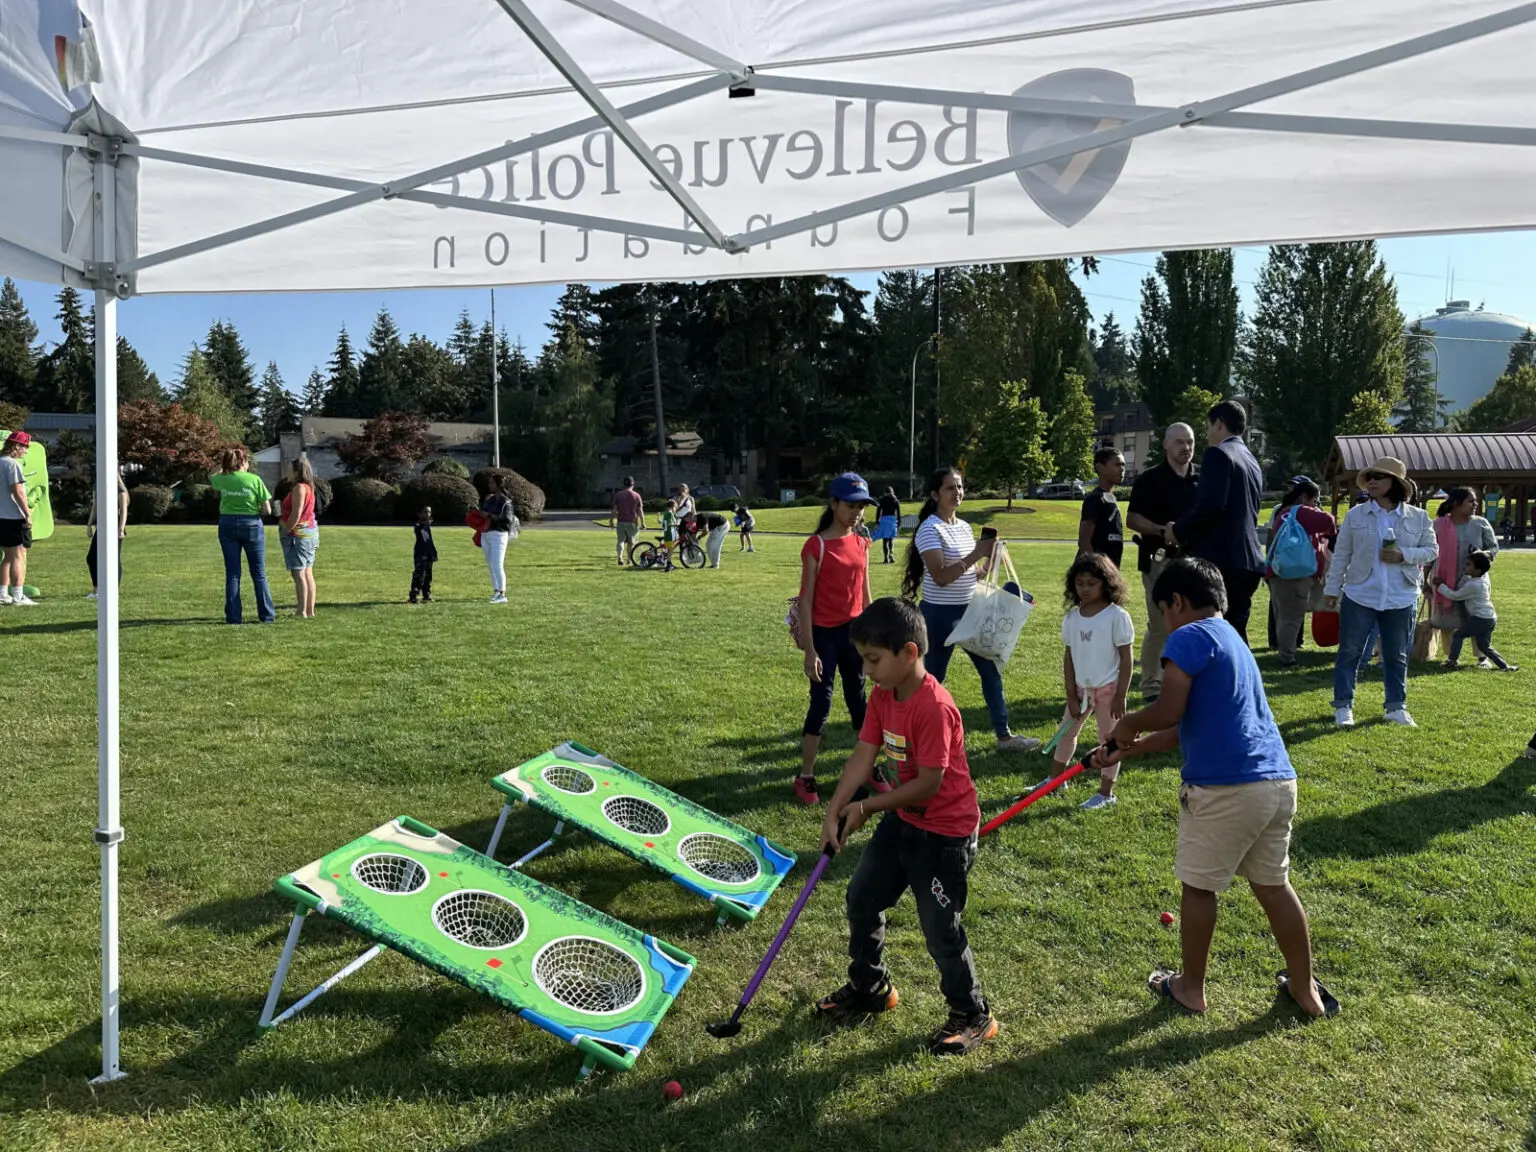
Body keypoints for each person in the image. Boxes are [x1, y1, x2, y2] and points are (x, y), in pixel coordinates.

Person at [1094, 557, 1338, 1019]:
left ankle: (1190, 989)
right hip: (1276, 783)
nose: (1166, 623)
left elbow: (1167, 709)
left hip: (1224, 789)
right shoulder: (1234, 641)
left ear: (1178, 603)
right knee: (1273, 885)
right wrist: (1131, 748)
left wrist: (1125, 723)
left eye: (1163, 611)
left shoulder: (1189, 636)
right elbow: (1185, 726)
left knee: (1199, 887)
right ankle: (1305, 989)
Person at [815, 596, 997, 1056]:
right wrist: (835, 807)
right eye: (863, 660)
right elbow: (864, 752)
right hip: (902, 822)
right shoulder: (882, 695)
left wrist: (869, 806)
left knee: (940, 929)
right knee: (862, 897)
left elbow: (929, 785)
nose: (866, 670)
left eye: (873, 660)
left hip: (945, 833)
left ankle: (973, 1014)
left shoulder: (933, 707)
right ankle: (871, 988)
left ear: (909, 654)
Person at [903, 467, 1041, 754]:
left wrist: (989, 563)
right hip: (939, 615)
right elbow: (941, 576)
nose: (958, 493)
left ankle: (1004, 736)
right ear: (934, 494)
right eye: (950, 488)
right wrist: (977, 553)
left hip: (971, 612)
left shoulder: (964, 527)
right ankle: (914, 734)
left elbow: (970, 572)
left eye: (961, 486)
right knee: (933, 679)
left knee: (990, 670)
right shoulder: (930, 528)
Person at [1323, 457, 1437, 728]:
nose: (1372, 482)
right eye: (1370, 477)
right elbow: (1342, 555)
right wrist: (1332, 588)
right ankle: (1343, 706)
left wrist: (1403, 555)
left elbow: (1432, 550)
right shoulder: (1356, 515)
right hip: (1360, 593)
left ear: (1395, 483)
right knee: (1350, 652)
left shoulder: (1418, 517)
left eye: (1379, 477)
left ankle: (1395, 707)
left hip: (1402, 595)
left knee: (1397, 654)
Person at [793, 473, 876, 806]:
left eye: (861, 507)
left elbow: (865, 593)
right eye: (850, 505)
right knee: (821, 702)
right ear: (833, 504)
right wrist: (810, 649)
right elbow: (805, 601)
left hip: (854, 634)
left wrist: (874, 638)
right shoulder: (818, 545)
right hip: (824, 635)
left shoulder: (862, 542)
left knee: (859, 703)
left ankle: (868, 769)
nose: (856, 512)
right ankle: (806, 776)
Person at [1168, 401, 1264, 644]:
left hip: (1221, 562)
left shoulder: (1218, 454)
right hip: (1249, 560)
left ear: (1219, 423)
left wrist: (1177, 530)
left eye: (1209, 426)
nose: (1207, 434)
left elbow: (1210, 506)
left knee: (1211, 635)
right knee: (1236, 636)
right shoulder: (1251, 460)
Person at [1047, 554, 1134, 811]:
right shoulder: (1072, 618)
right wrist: (1071, 695)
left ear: (1106, 584)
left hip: (1109, 690)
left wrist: (1121, 694)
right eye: (1080, 583)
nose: (1084, 589)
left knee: (1109, 740)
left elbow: (1127, 659)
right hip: (1081, 690)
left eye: (1091, 583)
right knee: (1066, 732)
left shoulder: (1117, 616)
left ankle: (1106, 793)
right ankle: (1055, 780)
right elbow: (1069, 657)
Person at [1126, 423, 1198, 704]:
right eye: (1180, 442)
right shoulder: (1150, 480)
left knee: (1192, 624)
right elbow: (1132, 519)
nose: (1186, 448)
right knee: (1160, 624)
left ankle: (1186, 681)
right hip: (1158, 560)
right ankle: (1152, 685)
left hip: (1194, 563)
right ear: (1166, 444)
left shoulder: (1201, 478)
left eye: (1190, 442)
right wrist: (1162, 531)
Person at [1265, 478, 1336, 667]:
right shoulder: (1300, 511)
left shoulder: (1283, 512)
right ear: (1304, 497)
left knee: (1284, 616)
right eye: (1315, 500)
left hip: (1280, 572)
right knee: (1292, 617)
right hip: (1296, 574)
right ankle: (1287, 658)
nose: (1316, 505)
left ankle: (1284, 651)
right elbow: (1328, 522)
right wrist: (1319, 511)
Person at [210, 446, 276, 625]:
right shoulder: (254, 479)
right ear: (244, 462)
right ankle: (266, 615)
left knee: (232, 574)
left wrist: (224, 465)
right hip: (251, 525)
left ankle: (233, 617)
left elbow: (212, 474)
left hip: (227, 524)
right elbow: (267, 509)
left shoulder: (223, 479)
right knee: (259, 573)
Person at [1432, 488, 1499, 660]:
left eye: (1475, 501)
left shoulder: (1480, 523)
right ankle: (1451, 655)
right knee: (1448, 616)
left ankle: (1482, 657)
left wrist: (1483, 555)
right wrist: (1426, 579)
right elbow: (1431, 551)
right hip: (1446, 578)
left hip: (1474, 580)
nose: (1475, 504)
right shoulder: (1439, 524)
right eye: (1470, 501)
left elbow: (1493, 547)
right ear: (1456, 503)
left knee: (1477, 616)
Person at [1439, 550, 1516, 671]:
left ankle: (1452, 661)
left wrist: (1440, 586)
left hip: (1481, 618)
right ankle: (1505, 666)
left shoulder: (1474, 585)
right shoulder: (1480, 580)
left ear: (1478, 570)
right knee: (1484, 646)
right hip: (1489, 617)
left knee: (1458, 635)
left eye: (1469, 564)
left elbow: (1456, 595)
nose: (1465, 566)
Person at [278, 458, 319, 618]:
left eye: (289, 469)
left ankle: (301, 611)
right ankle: (309, 610)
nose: (287, 472)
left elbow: (296, 513)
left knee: (299, 573)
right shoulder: (309, 487)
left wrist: (286, 530)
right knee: (307, 571)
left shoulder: (299, 488)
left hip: (299, 534)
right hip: (309, 532)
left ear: (297, 471)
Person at [0, 431, 35, 606]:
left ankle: (2, 593)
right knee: (18, 555)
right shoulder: (12, 465)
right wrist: (27, 513)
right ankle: (18, 596)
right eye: (24, 447)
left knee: (7, 555)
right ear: (16, 446)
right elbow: (18, 490)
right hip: (12, 517)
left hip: (1, 516)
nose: (26, 451)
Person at [1077, 447, 1126, 569]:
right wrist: (1093, 570)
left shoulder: (1111, 498)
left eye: (1123, 465)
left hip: (1110, 571)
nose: (1122, 469)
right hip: (1096, 572)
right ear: (1100, 467)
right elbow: (1084, 540)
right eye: (1116, 465)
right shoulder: (1095, 499)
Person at [86, 467, 129, 600]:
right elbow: (95, 506)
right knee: (92, 558)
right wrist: (89, 524)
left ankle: (114, 590)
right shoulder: (98, 485)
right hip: (102, 526)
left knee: (114, 558)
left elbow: (123, 511)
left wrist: (121, 529)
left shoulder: (120, 488)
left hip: (115, 526)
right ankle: (96, 590)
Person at [481, 473, 515, 603]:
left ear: (499, 485)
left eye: (492, 483)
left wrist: (489, 515)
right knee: (491, 564)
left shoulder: (505, 502)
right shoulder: (490, 499)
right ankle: (496, 591)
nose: (489, 485)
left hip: (498, 534)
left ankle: (502, 594)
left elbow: (507, 519)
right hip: (486, 533)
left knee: (497, 564)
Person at [610, 476, 645, 567]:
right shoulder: (637, 495)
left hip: (621, 522)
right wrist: (643, 522)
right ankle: (629, 558)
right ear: (633, 484)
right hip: (632, 522)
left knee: (620, 541)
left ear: (624, 485)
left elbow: (614, 510)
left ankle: (620, 557)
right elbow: (640, 511)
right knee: (631, 542)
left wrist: (611, 520)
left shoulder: (618, 495)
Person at [410, 504, 437, 604]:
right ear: (419, 514)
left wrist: (433, 552)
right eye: (425, 512)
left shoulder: (427, 526)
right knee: (419, 575)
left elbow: (429, 540)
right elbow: (420, 533)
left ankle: (427, 595)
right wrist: (426, 524)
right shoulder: (418, 525)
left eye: (429, 512)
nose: (428, 514)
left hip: (428, 553)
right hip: (421, 553)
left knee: (428, 575)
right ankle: (413, 596)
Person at [874, 486, 902, 564]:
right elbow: (899, 513)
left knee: (885, 540)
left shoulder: (882, 500)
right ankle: (891, 554)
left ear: (885, 492)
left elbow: (878, 511)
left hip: (884, 520)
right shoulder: (895, 500)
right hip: (892, 520)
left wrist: (877, 522)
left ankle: (886, 558)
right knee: (891, 539)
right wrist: (899, 524)